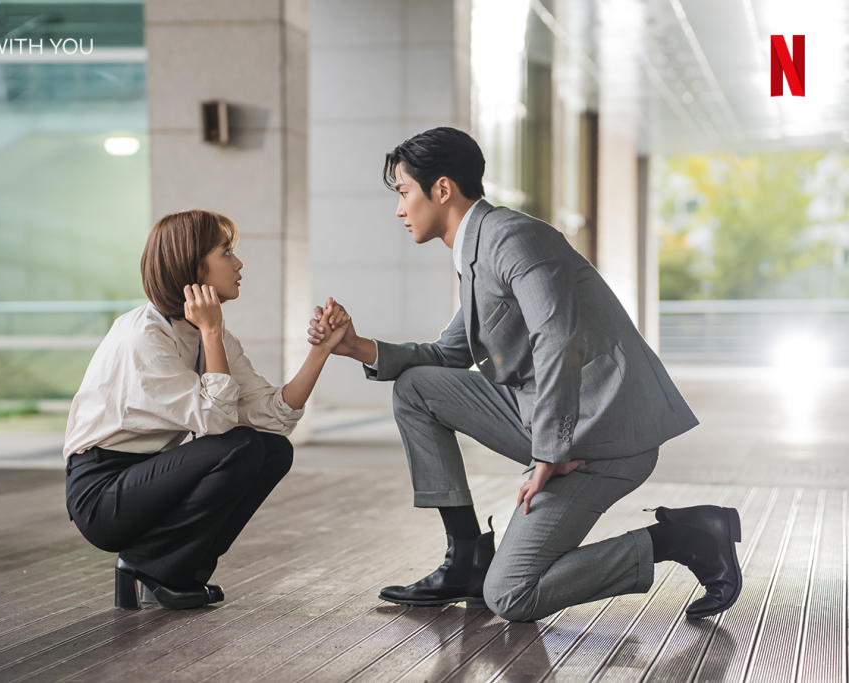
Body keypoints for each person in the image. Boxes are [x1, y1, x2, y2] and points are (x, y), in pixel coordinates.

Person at [309, 127, 741, 622]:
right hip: (547, 415)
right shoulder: (476, 251)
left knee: (512, 595)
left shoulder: (514, 238)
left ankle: (684, 537)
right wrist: (354, 346)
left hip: (603, 434)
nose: (401, 208)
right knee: (416, 387)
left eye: (405, 192)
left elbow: (558, 339)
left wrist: (548, 453)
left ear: (442, 189)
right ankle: (465, 557)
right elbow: (448, 354)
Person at [64, 209, 349, 610]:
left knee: (272, 450)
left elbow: (273, 415)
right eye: (226, 252)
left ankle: (181, 568)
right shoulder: (143, 337)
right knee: (240, 446)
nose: (239, 263)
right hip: (102, 494)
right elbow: (216, 424)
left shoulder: (208, 336)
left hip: (151, 479)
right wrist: (212, 331)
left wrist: (321, 350)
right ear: (193, 266)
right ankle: (154, 566)